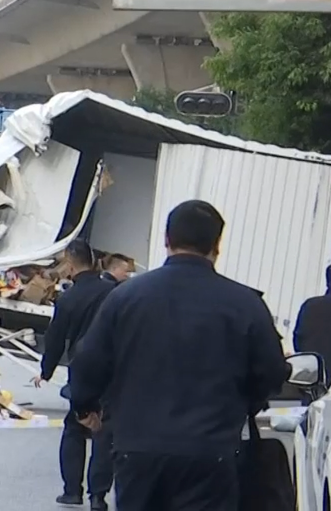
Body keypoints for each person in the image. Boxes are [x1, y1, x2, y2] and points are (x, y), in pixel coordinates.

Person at [68, 200, 287, 511]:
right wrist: (245, 403)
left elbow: (88, 360)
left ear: (166, 239)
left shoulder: (125, 297)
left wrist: (85, 406)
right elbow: (272, 371)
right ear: (216, 245)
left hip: (138, 448)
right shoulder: (245, 304)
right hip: (210, 451)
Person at [32, 238, 116, 510]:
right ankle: (98, 496)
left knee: (75, 428)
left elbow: (55, 339)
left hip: (82, 370)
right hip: (112, 370)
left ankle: (72, 491)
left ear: (69, 265)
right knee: (104, 431)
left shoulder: (68, 299)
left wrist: (46, 371)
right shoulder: (113, 292)